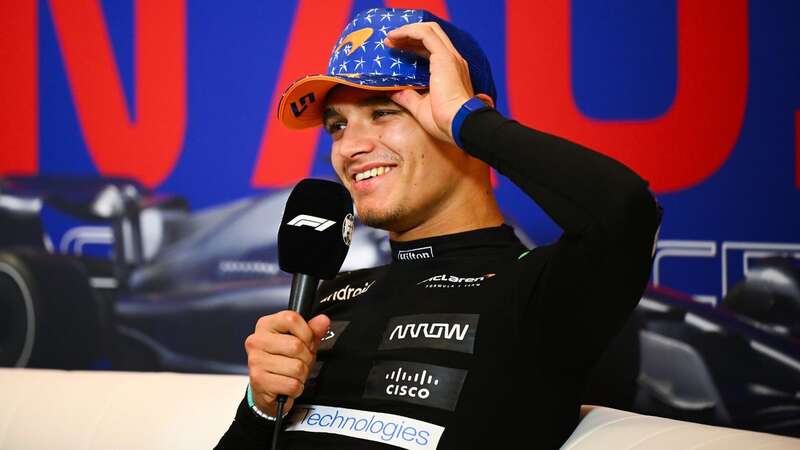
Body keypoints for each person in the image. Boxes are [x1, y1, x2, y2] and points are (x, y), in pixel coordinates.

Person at [217, 7, 662, 449]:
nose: (350, 147)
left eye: (385, 111)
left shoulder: (542, 290)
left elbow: (624, 210)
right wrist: (259, 409)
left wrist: (468, 121)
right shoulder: (327, 298)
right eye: (337, 126)